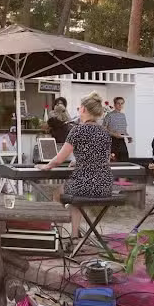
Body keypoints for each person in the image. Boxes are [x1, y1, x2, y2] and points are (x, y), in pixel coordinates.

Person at [37, 92, 112, 238]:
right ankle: (74, 236)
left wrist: (46, 166)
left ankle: (57, 235)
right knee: (75, 200)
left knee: (58, 194)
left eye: (79, 108)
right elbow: (104, 159)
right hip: (104, 185)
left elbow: (59, 159)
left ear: (83, 109)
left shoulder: (77, 130)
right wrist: (80, 160)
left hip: (84, 184)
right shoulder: (104, 132)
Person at [103, 96, 131, 162]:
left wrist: (128, 136)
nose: (120, 105)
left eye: (122, 103)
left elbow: (123, 130)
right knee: (114, 160)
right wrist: (114, 134)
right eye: (118, 103)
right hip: (112, 141)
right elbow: (103, 129)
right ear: (115, 104)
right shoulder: (109, 115)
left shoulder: (123, 116)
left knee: (124, 159)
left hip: (121, 140)